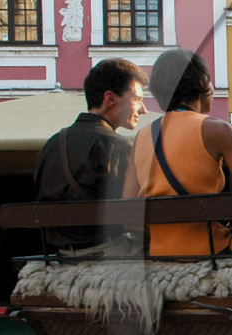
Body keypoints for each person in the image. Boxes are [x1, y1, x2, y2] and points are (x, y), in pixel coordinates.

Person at [132, 49, 232, 258]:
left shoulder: (142, 137)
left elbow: (128, 211)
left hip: (159, 256)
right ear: (202, 83)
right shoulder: (218, 130)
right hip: (211, 254)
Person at [34, 57, 148, 255]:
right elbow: (133, 218)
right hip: (111, 253)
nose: (143, 109)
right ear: (110, 99)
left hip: (62, 256)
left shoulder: (52, 144)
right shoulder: (118, 147)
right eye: (137, 99)